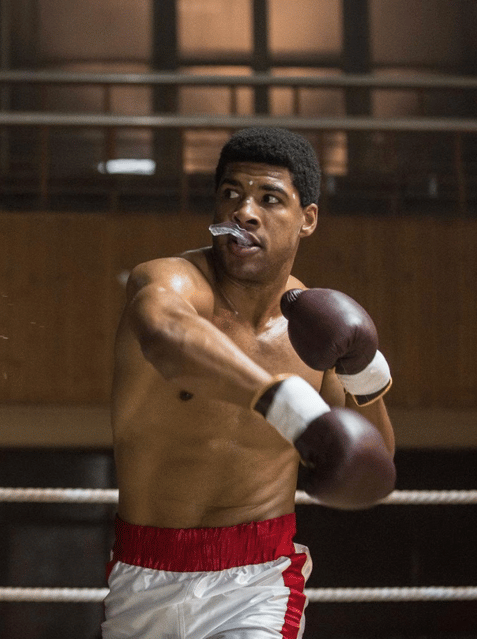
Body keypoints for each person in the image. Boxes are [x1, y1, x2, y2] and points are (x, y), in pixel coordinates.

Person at [103, 127, 396, 638]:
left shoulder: (315, 332)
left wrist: (366, 372)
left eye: (269, 199)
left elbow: (372, 470)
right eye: (231, 195)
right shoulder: (167, 282)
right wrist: (284, 403)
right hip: (145, 573)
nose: (244, 212)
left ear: (307, 219)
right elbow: (167, 336)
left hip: (258, 581)